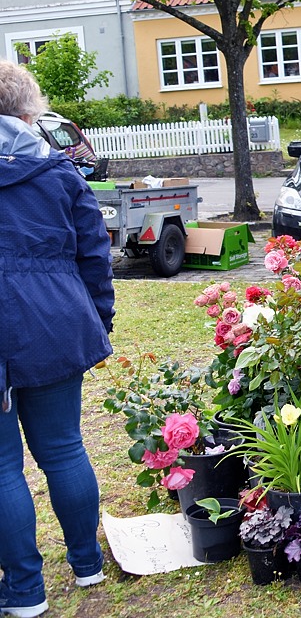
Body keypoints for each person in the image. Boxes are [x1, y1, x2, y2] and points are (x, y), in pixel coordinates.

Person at [0, 61, 112, 618]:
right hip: (53, 323)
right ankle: (86, 563)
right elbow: (95, 256)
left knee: (2, 467)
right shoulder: (60, 172)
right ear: (30, 112)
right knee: (64, 447)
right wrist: (99, 318)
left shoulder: (60, 174)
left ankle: (24, 591)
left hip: (34, 319)